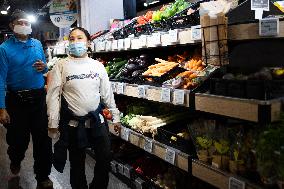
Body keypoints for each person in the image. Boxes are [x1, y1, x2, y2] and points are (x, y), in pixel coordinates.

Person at [47, 27, 121, 189]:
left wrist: (115, 115)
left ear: (88, 43)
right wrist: (53, 122)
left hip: (97, 122)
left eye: (79, 38)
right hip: (74, 125)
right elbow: (53, 96)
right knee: (77, 163)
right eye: (72, 39)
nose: (75, 42)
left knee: (104, 158)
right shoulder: (61, 65)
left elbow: (107, 93)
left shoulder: (97, 66)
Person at [0, 10, 53, 189]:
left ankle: (43, 176)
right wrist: (1, 107)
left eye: (26, 23)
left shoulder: (37, 43)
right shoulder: (4, 49)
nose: (24, 26)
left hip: (38, 99)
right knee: (17, 140)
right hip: (16, 101)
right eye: (20, 22)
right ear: (11, 25)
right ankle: (15, 159)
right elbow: (0, 79)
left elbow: (44, 68)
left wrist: (44, 66)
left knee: (43, 140)